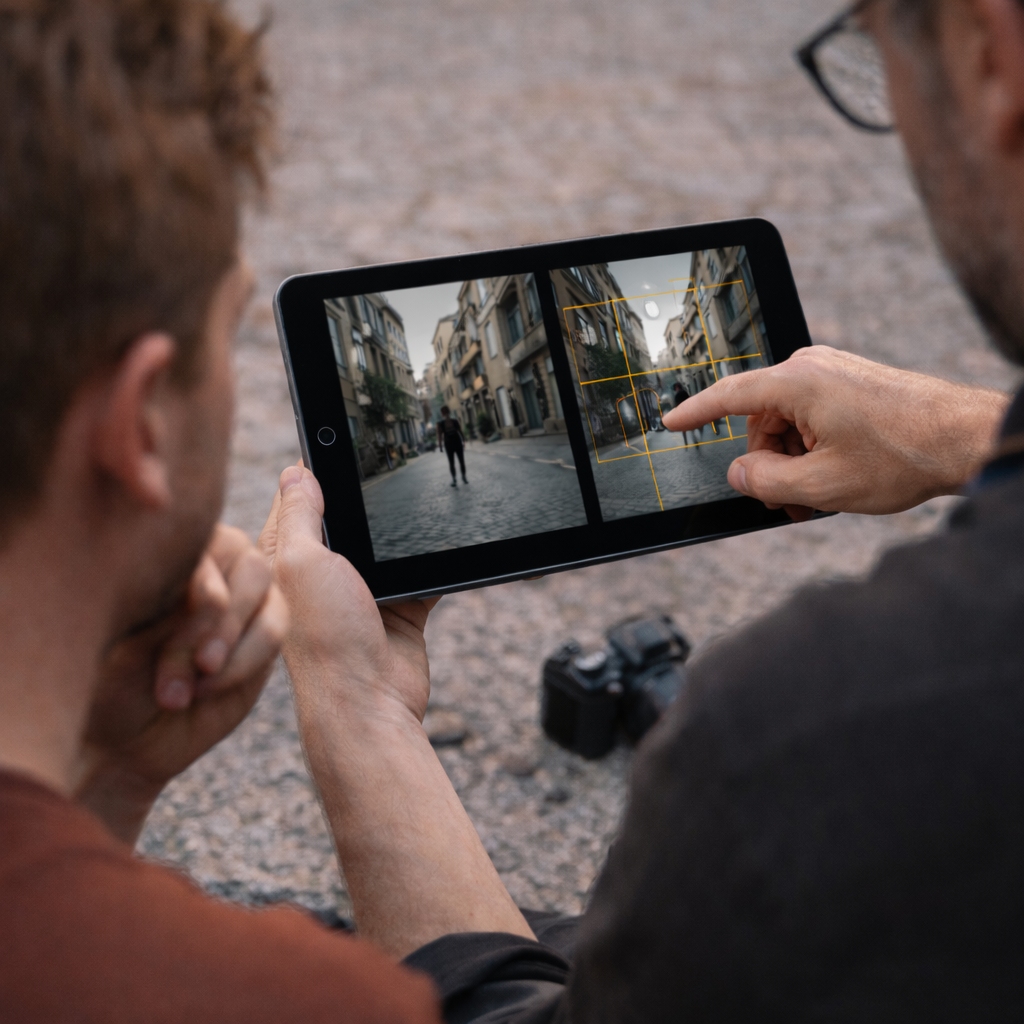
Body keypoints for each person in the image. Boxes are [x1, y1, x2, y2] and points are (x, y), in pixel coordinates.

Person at [258, 0, 1024, 1020]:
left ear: (992, 50)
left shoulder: (793, 746)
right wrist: (963, 430)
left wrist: (356, 708)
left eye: (874, 46)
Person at [0, 2, 459, 1019]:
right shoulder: (281, 1000)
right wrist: (366, 713)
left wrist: (99, 786)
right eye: (230, 331)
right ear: (142, 422)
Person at [437, 405, 469, 487]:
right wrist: (440, 446)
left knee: (461, 461)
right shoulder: (441, 424)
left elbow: (460, 431)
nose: (444, 413)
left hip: (457, 442)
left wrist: (463, 441)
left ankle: (463, 477)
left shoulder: (454, 421)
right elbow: (439, 435)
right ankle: (455, 479)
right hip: (449, 444)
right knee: (452, 463)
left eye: (444, 411)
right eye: (443, 412)